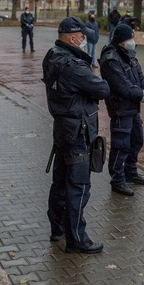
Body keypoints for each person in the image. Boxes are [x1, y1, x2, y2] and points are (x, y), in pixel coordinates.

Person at [43, 17, 111, 254]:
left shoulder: (52, 55)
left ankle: (58, 227)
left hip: (63, 130)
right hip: (78, 133)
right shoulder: (73, 65)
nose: (84, 40)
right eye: (82, 37)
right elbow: (102, 89)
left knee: (61, 182)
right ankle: (76, 238)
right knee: (78, 186)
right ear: (73, 38)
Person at [99, 23, 144, 196]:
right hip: (120, 108)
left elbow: (140, 76)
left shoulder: (129, 54)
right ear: (122, 40)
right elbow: (122, 85)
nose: (132, 41)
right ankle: (117, 179)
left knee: (136, 140)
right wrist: (141, 95)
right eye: (130, 38)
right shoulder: (110, 59)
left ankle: (130, 172)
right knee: (121, 145)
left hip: (133, 107)